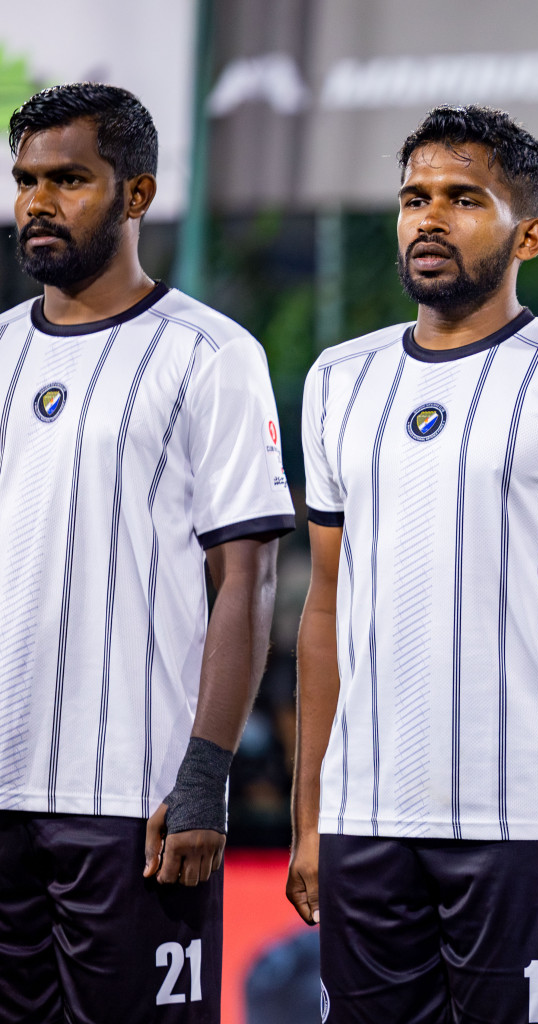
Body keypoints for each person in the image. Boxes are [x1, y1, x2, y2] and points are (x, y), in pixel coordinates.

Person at [288, 105, 538, 1024]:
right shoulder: (338, 377)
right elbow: (325, 608)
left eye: (463, 198)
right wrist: (310, 817)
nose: (430, 218)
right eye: (414, 198)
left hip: (523, 818)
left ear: (528, 232)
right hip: (366, 818)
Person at [0, 84, 294, 1022]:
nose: (38, 201)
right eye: (26, 181)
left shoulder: (211, 354)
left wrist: (204, 774)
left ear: (136, 194)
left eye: (69, 179)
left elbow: (244, 578)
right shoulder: (1, 350)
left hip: (136, 802)